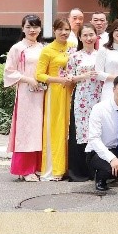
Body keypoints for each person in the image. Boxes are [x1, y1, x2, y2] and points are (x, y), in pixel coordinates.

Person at [3, 14, 45, 182]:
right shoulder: (17, 48)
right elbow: (9, 71)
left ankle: (38, 167)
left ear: (40, 29)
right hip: (26, 94)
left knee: (40, 128)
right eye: (28, 27)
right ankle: (25, 169)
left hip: (42, 92)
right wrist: (28, 79)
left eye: (35, 27)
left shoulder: (43, 48)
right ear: (23, 28)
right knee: (26, 129)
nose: (32, 30)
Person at [63, 24, 103, 182]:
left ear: (96, 36)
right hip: (81, 97)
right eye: (85, 35)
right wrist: (84, 76)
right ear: (80, 37)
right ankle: (79, 171)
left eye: (91, 34)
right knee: (80, 133)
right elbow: (68, 78)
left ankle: (98, 169)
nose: (88, 38)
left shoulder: (101, 54)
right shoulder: (74, 56)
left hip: (99, 96)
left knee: (98, 130)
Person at [36, 18, 74, 181]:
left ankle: (69, 168)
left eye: (67, 29)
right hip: (55, 94)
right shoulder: (47, 50)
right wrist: (59, 80)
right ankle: (55, 169)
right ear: (54, 30)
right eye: (60, 29)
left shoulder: (73, 47)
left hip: (72, 91)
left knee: (70, 129)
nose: (64, 33)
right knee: (56, 129)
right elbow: (39, 75)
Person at [95, 19, 118, 102]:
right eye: (117, 30)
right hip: (110, 89)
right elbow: (98, 74)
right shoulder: (103, 50)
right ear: (112, 31)